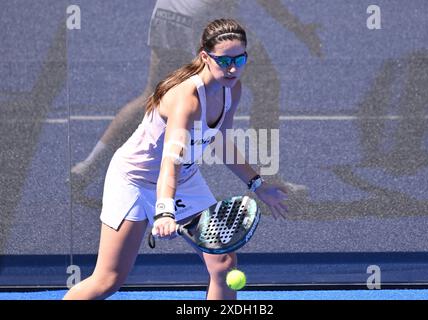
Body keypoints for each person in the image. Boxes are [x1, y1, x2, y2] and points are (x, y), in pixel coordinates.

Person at [63, 18, 288, 300]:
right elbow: (171, 161)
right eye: (225, 60)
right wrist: (165, 211)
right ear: (205, 57)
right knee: (108, 279)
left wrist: (257, 184)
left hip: (185, 178)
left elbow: (219, 140)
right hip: (133, 179)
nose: (233, 68)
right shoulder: (186, 99)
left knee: (223, 264)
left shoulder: (233, 89)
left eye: (240, 58)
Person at [71, 0, 321, 210]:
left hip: (170, 11)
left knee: (154, 94)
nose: (234, 68)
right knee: (267, 85)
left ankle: (89, 165)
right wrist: (298, 28)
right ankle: (270, 175)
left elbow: (218, 140)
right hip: (204, 13)